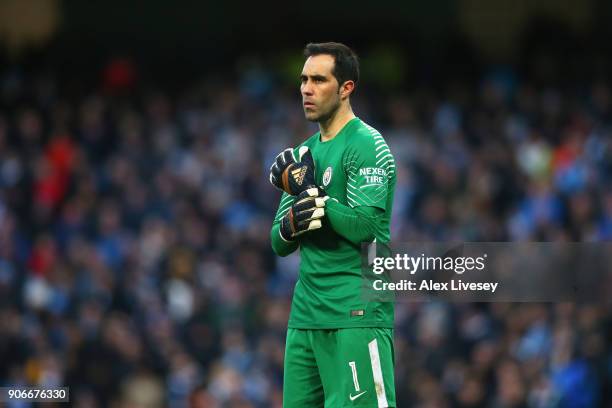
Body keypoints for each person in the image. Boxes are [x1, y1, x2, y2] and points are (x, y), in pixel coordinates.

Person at [269, 42, 397, 407]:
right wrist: (292, 223)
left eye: (319, 80)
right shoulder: (304, 154)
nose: (306, 89)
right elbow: (278, 242)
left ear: (346, 88)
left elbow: (365, 227)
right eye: (304, 79)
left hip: (356, 311)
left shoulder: (368, 145)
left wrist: (313, 193)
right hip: (306, 314)